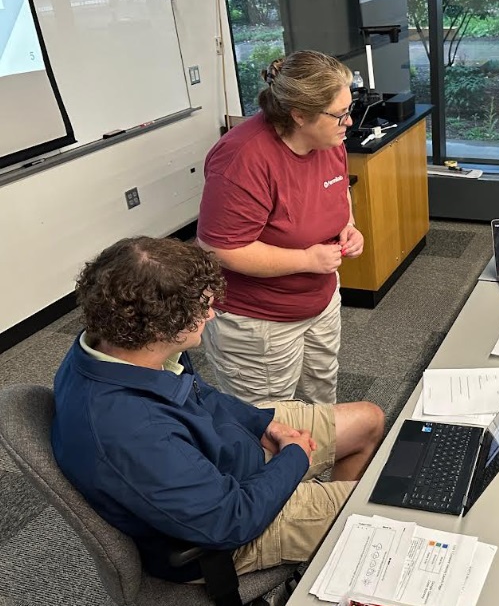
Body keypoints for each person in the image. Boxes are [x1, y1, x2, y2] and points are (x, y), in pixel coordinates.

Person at [51, 237, 384, 582]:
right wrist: (293, 457)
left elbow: (203, 396)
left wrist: (263, 425)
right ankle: (343, 541)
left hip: (226, 462)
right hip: (228, 532)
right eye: (203, 307)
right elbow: (230, 521)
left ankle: (334, 543)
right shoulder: (131, 431)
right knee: (382, 512)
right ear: (160, 327)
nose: (212, 314)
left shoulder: (112, 344)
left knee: (369, 420)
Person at [197, 50, 362, 406]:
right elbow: (221, 248)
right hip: (259, 319)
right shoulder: (243, 159)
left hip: (318, 299)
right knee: (269, 419)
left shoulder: (329, 140)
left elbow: (338, 191)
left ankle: (323, 459)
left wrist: (349, 227)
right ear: (299, 115)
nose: (349, 122)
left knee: (322, 395)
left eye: (350, 108)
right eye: (340, 114)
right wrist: (306, 259)